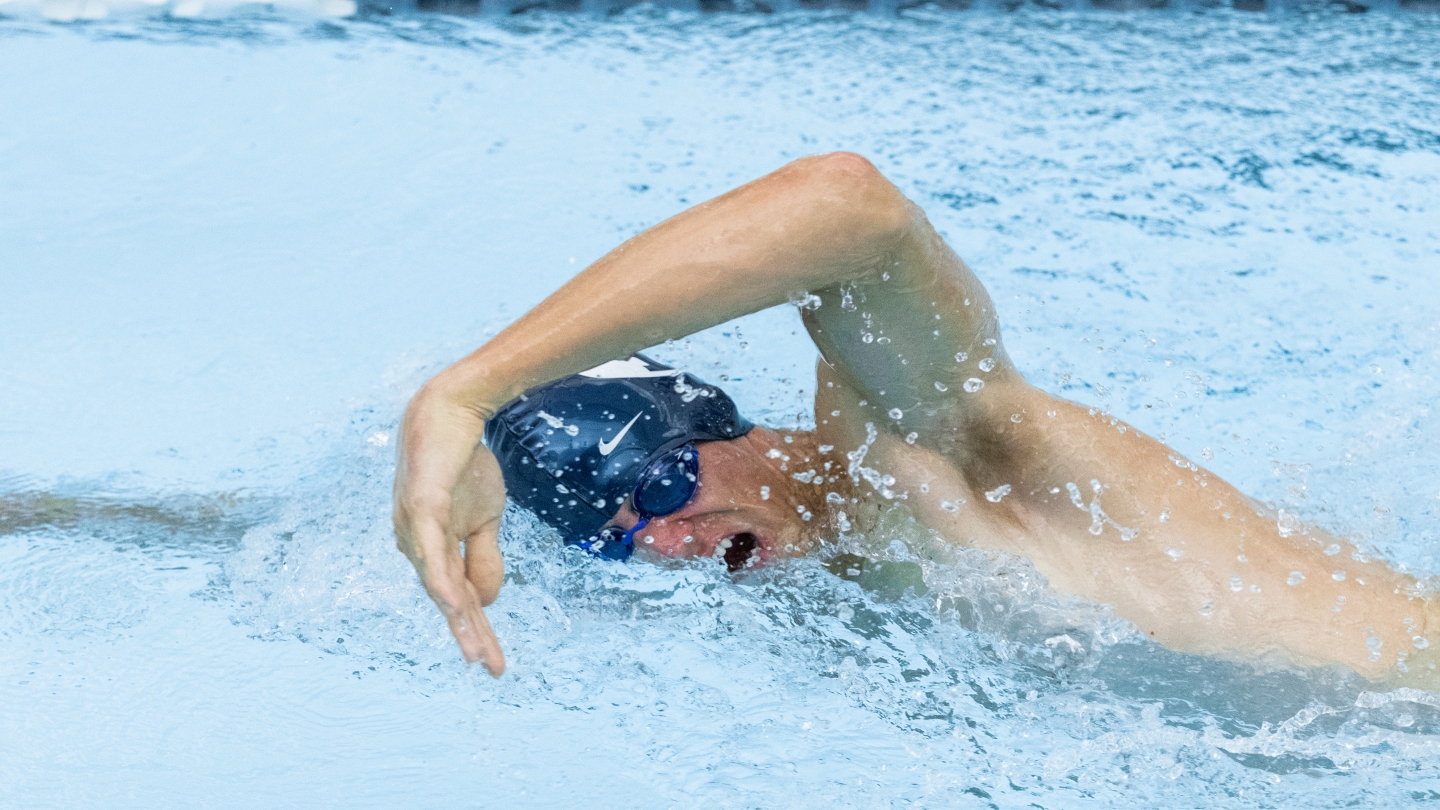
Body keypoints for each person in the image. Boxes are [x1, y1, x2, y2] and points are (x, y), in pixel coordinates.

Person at [391, 152, 1435, 686]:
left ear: (722, 427)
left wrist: (465, 389)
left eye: (665, 487)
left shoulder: (916, 450)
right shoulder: (826, 561)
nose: (669, 545)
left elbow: (848, 207)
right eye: (617, 540)